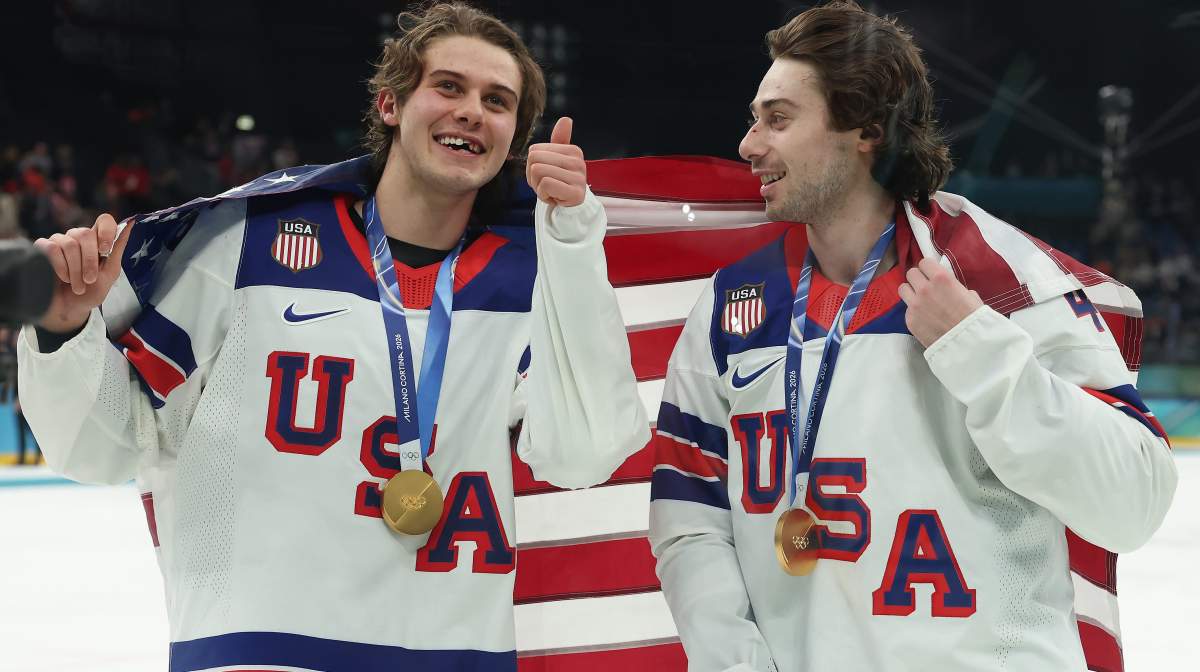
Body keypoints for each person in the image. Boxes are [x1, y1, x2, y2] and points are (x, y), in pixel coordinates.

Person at [18, 3, 648, 670]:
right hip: (258, 653)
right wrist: (64, 330)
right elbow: (106, 447)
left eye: (497, 101)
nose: (471, 111)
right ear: (389, 105)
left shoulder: (530, 281)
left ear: (513, 139)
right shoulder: (245, 244)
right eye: (449, 87)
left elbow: (585, 454)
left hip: (451, 654)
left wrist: (573, 243)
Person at [647, 2, 1177, 670]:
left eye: (778, 119)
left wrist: (982, 354)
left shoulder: (1003, 279)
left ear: (867, 130)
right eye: (756, 119)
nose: (749, 145)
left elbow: (1134, 500)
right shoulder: (731, 306)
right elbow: (688, 515)